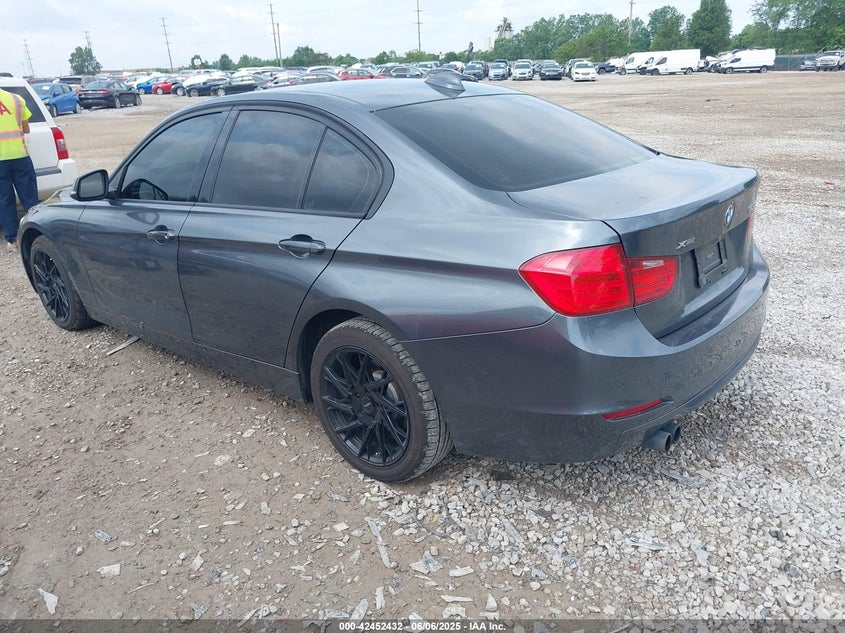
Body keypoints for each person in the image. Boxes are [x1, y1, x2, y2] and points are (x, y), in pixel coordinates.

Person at [0, 87, 39, 253]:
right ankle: (36, 234)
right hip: (20, 156)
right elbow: (27, 129)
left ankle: (14, 240)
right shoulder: (17, 99)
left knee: (4, 199)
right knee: (29, 196)